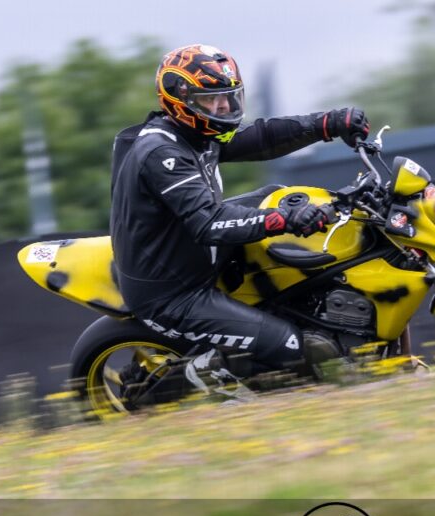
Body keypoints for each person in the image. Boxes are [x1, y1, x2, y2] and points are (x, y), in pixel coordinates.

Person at [109, 43, 369, 396]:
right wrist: (285, 220)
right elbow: (209, 222)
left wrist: (328, 123)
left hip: (197, 256)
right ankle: (165, 386)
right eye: (211, 99)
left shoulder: (198, 133)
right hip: (174, 293)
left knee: (280, 194)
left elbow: (262, 137)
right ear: (179, 98)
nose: (224, 107)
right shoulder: (162, 153)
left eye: (228, 97)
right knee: (292, 347)